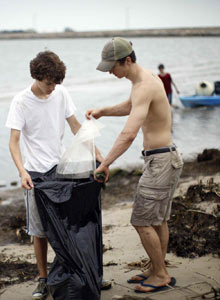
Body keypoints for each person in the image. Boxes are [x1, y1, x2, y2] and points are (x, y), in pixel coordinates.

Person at [6, 50, 108, 300]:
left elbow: (75, 126)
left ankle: (89, 273)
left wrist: (98, 155)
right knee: (39, 231)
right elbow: (14, 141)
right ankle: (43, 280)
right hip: (36, 175)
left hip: (61, 169)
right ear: (37, 76)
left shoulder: (60, 93)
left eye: (55, 83)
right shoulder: (21, 102)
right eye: (49, 83)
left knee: (71, 224)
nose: (52, 88)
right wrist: (21, 172)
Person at [86, 37, 183, 293]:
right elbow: (132, 107)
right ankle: (156, 268)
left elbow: (128, 134)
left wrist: (105, 163)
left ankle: (160, 275)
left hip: (161, 161)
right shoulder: (144, 79)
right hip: (164, 158)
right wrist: (102, 111)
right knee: (158, 219)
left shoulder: (144, 85)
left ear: (127, 61)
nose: (109, 72)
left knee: (141, 220)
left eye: (111, 67)